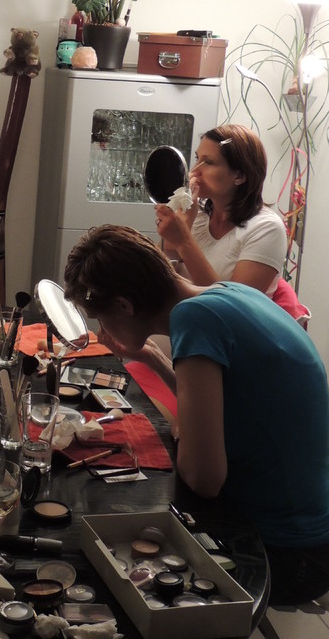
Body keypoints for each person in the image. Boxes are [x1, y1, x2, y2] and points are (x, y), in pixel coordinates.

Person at [64, 224, 329, 605]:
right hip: (310, 533)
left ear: (124, 305)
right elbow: (219, 406)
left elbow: (204, 478)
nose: (103, 329)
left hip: (287, 553)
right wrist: (152, 357)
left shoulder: (195, 320)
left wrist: (187, 431)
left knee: (99, 562)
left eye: (101, 319)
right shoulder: (225, 293)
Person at [155, 124, 287, 297]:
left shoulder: (267, 228)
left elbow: (231, 304)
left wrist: (184, 240)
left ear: (239, 176)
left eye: (208, 162)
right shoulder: (196, 214)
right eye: (197, 158)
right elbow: (156, 278)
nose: (194, 170)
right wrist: (179, 228)